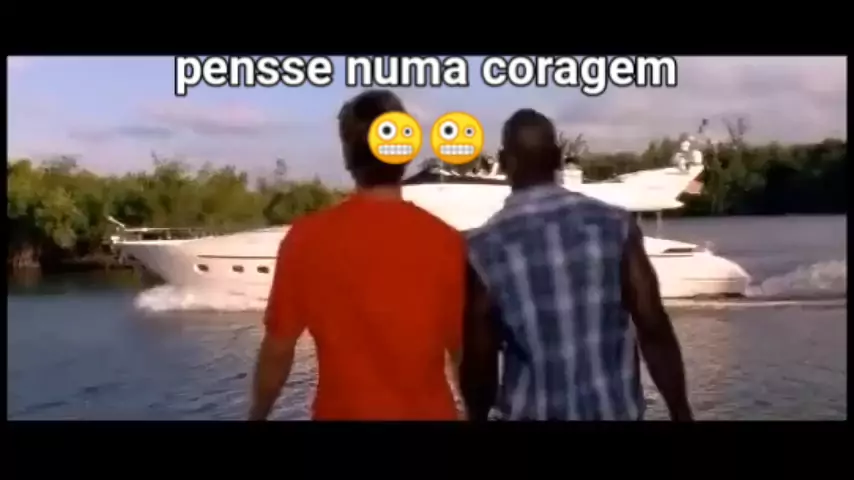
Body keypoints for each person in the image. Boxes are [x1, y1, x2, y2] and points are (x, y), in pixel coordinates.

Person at [459, 109, 693, 421]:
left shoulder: (483, 248)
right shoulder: (614, 224)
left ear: (503, 162)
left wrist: (475, 416)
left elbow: (480, 361)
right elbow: (652, 324)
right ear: (558, 158)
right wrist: (680, 411)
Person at [248, 90, 467, 421]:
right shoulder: (447, 241)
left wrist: (256, 415)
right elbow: (464, 356)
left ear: (348, 155)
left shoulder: (306, 240)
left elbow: (278, 350)